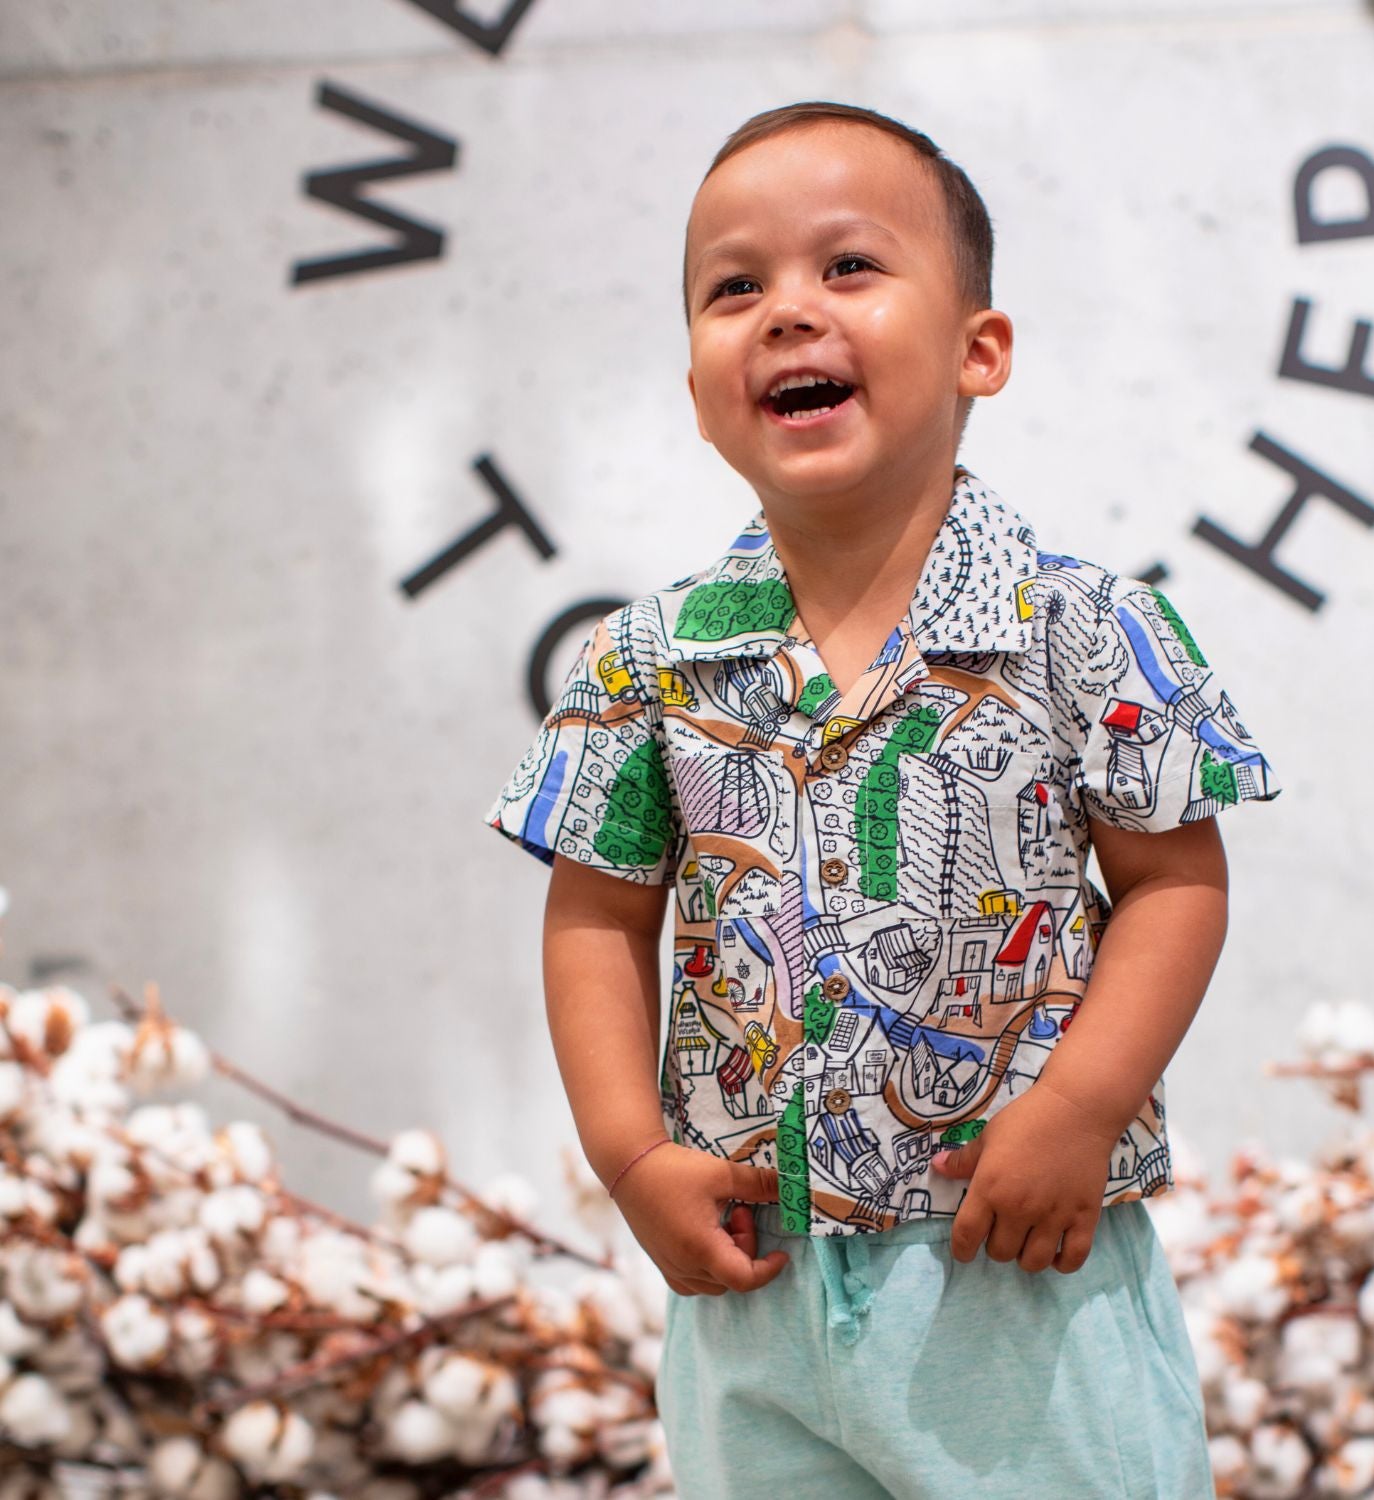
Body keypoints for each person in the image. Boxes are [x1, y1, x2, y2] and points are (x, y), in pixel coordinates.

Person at [485, 99, 1281, 1499]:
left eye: (848, 267)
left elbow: (1174, 884)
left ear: (981, 350)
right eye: (737, 287)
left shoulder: (1080, 628)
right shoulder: (648, 661)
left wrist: (1083, 1106)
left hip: (1012, 1258)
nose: (788, 312)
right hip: (756, 1275)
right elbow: (596, 919)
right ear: (695, 386)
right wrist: (629, 1155)